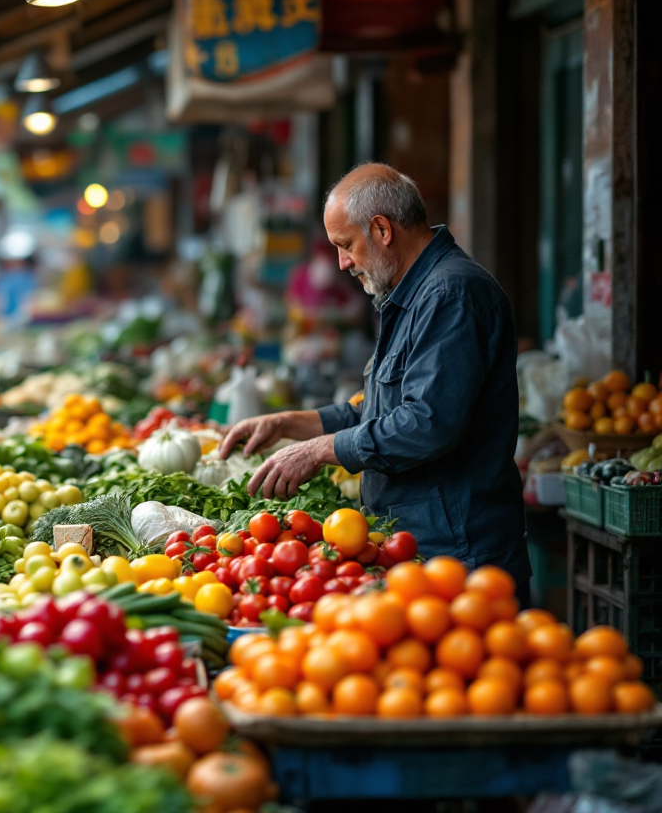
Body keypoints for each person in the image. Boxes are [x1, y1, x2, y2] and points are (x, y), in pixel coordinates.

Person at [220, 163, 530, 597]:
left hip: (459, 552)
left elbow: (427, 423)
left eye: (346, 245)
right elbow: (381, 411)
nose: (343, 263)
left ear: (382, 230)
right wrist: (290, 423)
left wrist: (320, 451)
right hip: (425, 545)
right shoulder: (411, 293)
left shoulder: (450, 295)